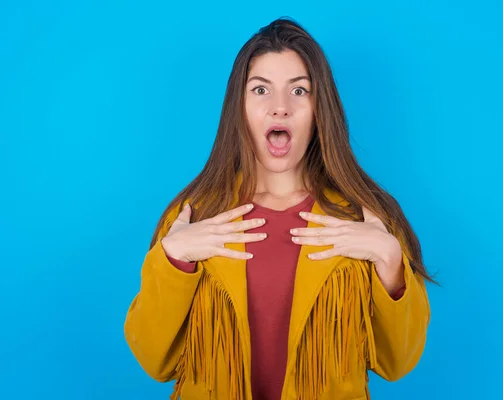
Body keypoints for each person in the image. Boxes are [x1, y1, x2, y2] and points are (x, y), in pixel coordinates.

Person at [124, 17, 434, 400]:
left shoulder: (366, 219)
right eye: (260, 90)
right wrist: (174, 259)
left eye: (299, 91)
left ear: (321, 108)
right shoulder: (193, 216)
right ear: (238, 105)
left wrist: (389, 261)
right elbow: (153, 359)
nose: (280, 108)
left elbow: (398, 363)